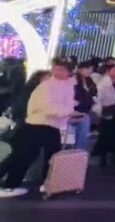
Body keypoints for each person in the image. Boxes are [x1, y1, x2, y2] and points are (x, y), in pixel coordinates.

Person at [0, 62, 82, 198]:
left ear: (69, 72)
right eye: (56, 69)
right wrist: (69, 112)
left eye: (62, 70)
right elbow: (47, 106)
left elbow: (63, 104)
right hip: (36, 125)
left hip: (51, 125)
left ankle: (48, 184)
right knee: (24, 156)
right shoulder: (47, 86)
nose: (58, 72)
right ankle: (10, 185)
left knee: (50, 156)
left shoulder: (67, 86)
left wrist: (69, 111)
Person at [71, 64, 98, 149]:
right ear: (80, 69)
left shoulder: (89, 80)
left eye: (91, 69)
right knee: (70, 139)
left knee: (82, 138)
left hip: (85, 112)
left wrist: (93, 100)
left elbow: (94, 93)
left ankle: (79, 155)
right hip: (73, 112)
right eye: (87, 68)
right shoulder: (73, 79)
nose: (90, 71)